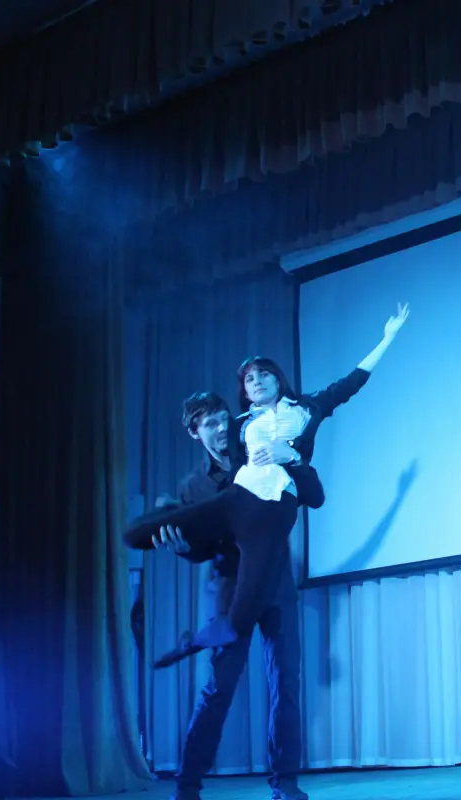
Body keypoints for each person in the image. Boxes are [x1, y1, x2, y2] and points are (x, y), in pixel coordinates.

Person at [124, 303, 410, 668]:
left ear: (278, 379)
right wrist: (185, 531)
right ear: (245, 391)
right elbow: (217, 448)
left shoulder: (307, 409)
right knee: (142, 531)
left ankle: (192, 642)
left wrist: (387, 338)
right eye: (249, 380)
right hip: (240, 498)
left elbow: (352, 382)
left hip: (274, 512)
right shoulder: (240, 423)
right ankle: (160, 520)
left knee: (238, 624)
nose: (256, 382)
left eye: (263, 375)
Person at [148, 391, 319, 800]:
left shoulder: (260, 449)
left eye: (225, 418)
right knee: (220, 687)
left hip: (276, 585)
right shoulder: (192, 487)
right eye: (211, 424)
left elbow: (311, 493)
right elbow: (202, 547)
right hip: (231, 591)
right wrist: (183, 547)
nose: (223, 428)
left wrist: (293, 457)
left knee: (286, 685)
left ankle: (285, 783)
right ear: (195, 433)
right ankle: (187, 786)